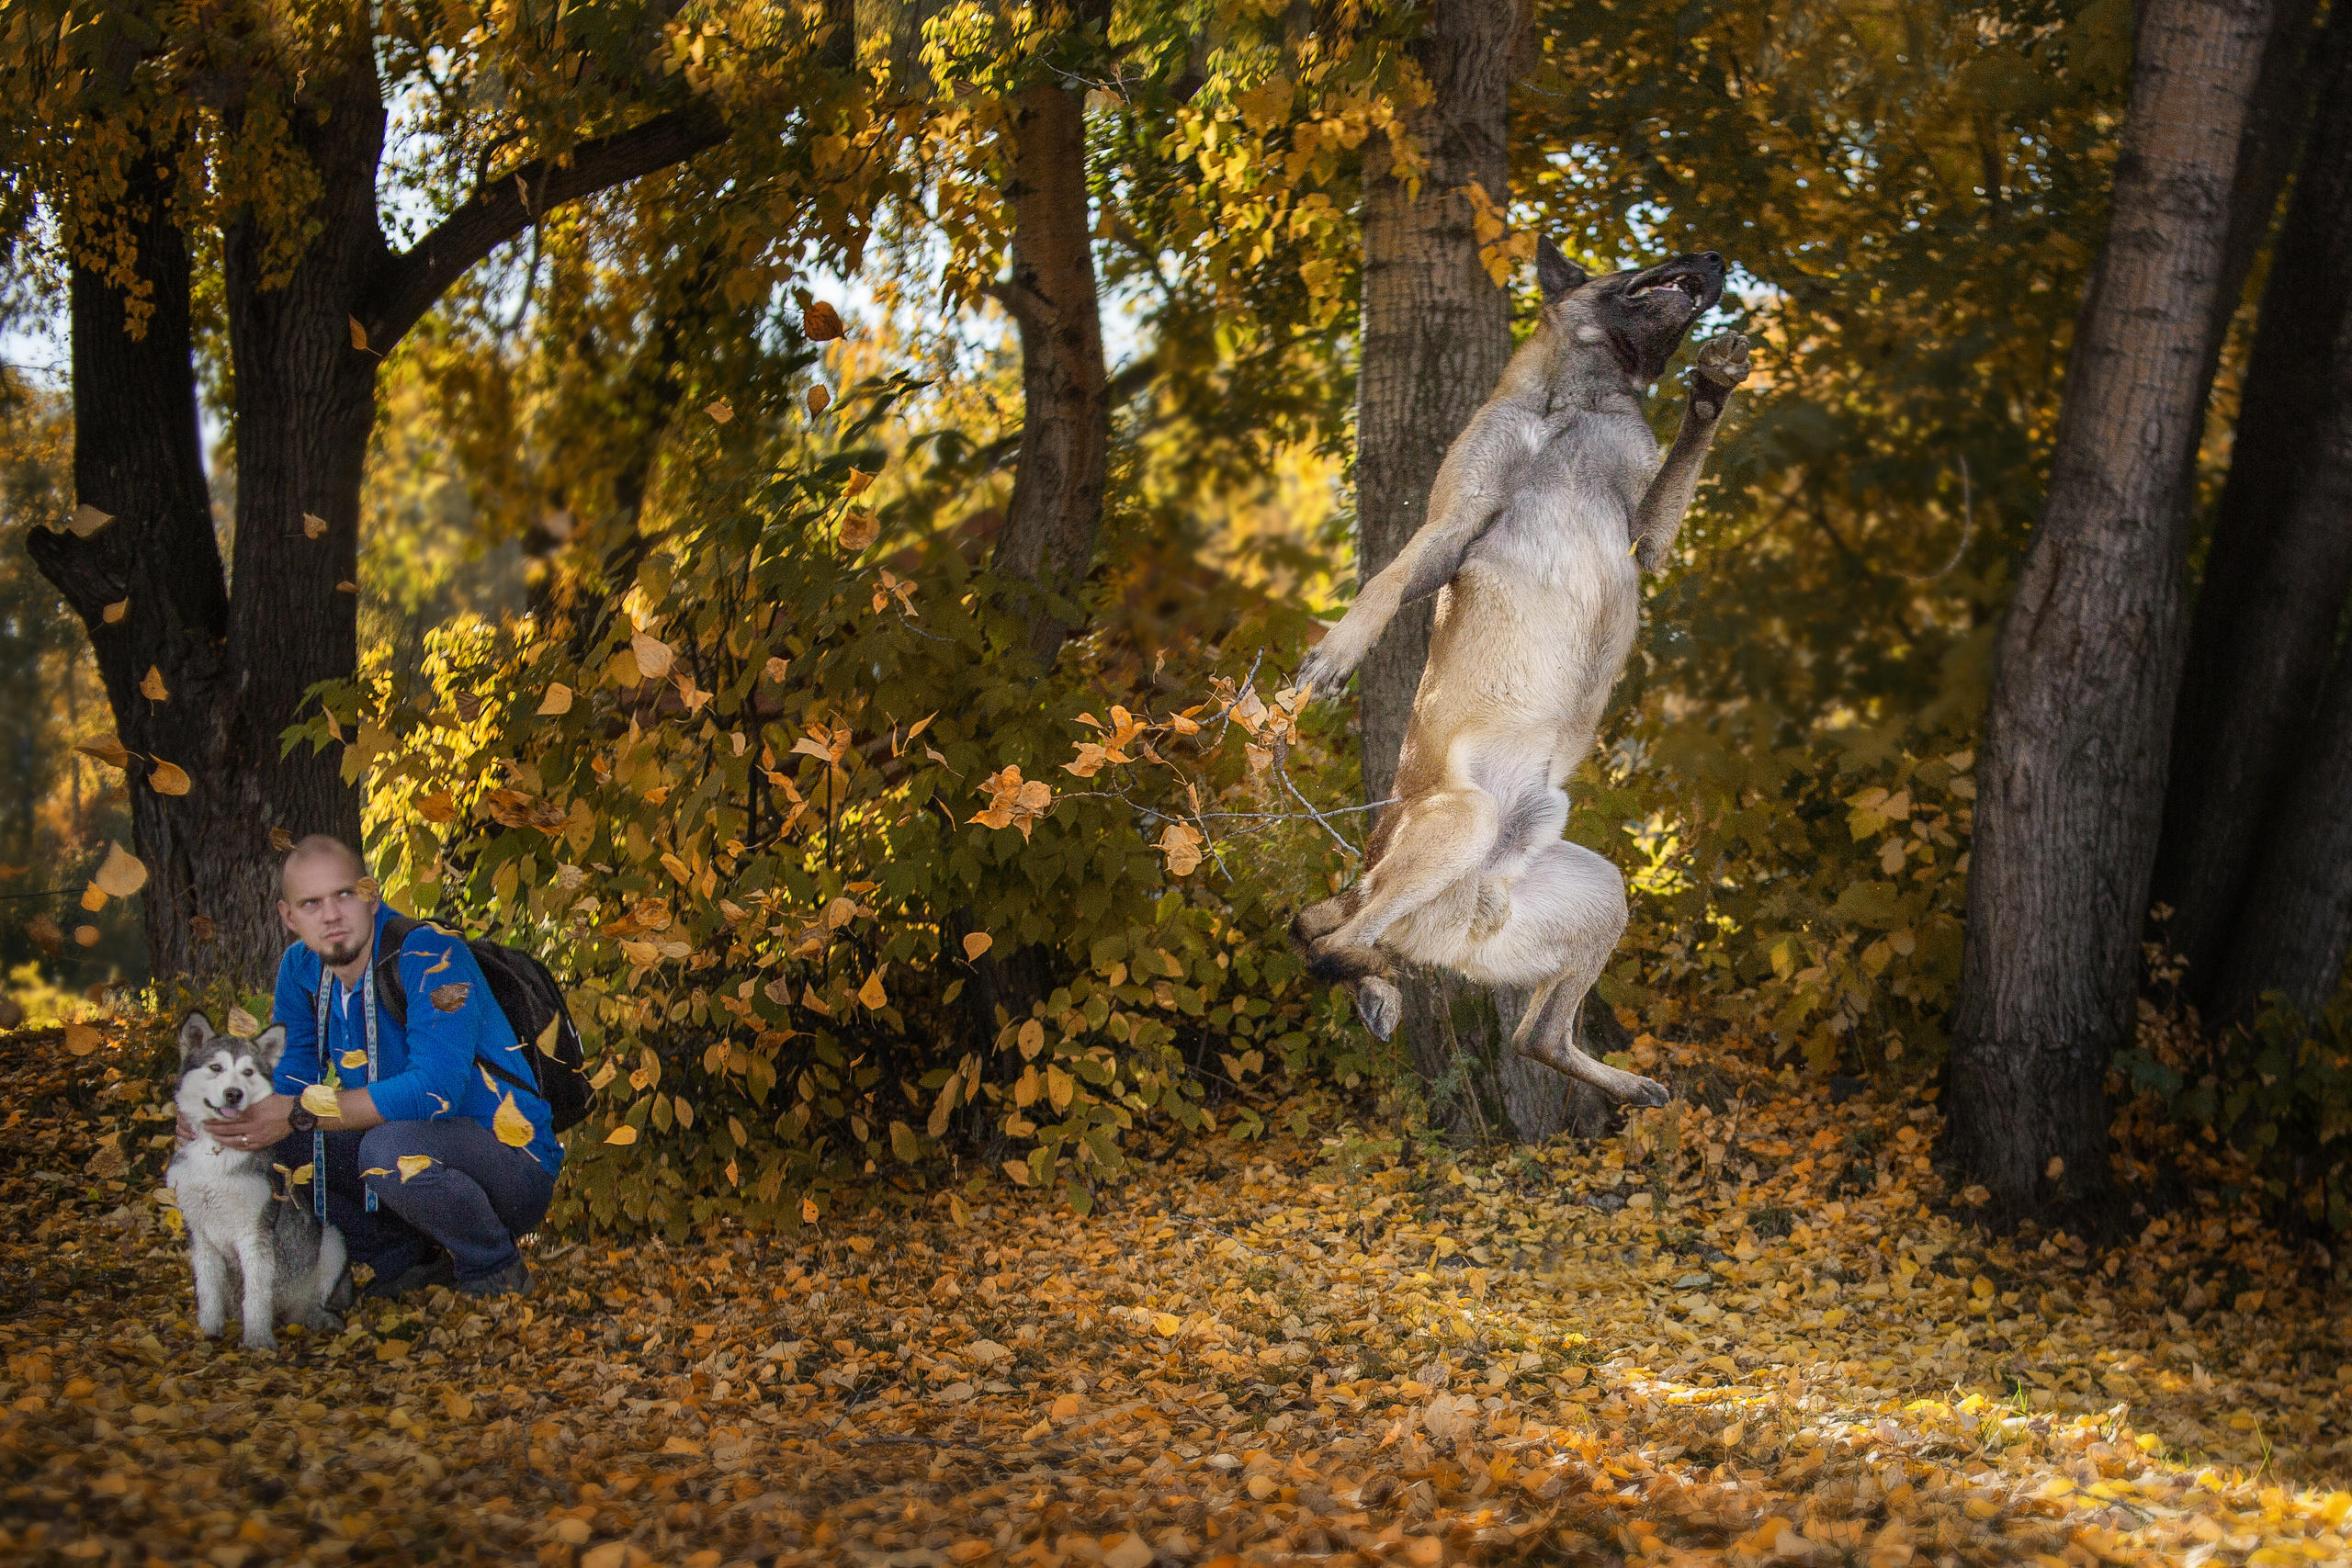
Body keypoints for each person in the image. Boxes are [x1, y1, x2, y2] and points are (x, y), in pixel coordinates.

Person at [191, 835, 560, 1299]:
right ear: (289, 917)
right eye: (311, 903)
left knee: (385, 1149)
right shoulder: (300, 970)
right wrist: (220, 1123)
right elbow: (288, 1085)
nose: (330, 916)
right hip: (408, 1158)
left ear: (371, 892)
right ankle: (408, 1263)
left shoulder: (430, 954)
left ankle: (493, 1267)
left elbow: (435, 1091)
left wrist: (297, 1112)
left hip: (511, 1163)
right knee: (283, 1144)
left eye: (344, 894)